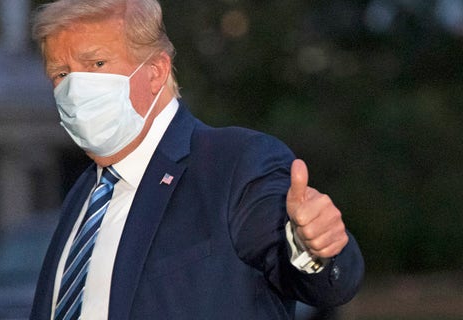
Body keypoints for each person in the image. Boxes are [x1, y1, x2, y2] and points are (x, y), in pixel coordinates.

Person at [29, 0, 364, 319]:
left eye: (97, 64)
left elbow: (319, 281)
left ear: (156, 71)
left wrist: (315, 249)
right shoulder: (84, 194)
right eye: (60, 73)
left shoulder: (232, 164)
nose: (74, 88)